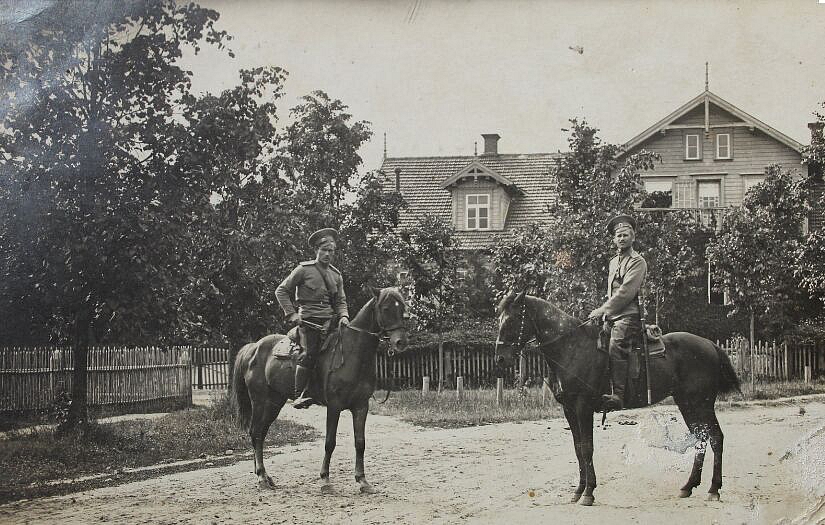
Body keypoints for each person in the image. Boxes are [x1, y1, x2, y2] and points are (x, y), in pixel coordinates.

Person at [275, 228, 350, 409]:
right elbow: (281, 291)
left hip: (329, 323)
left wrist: (344, 316)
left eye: (331, 251)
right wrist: (291, 313)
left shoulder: (336, 275)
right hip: (308, 322)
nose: (327, 254)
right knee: (310, 354)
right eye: (324, 250)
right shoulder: (304, 270)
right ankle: (300, 394)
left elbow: (340, 301)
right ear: (316, 250)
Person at [588, 214, 647, 411]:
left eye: (625, 235)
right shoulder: (613, 262)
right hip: (612, 316)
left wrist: (603, 309)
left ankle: (618, 396)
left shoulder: (637, 262)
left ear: (633, 237)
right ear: (614, 239)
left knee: (616, 345)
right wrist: (605, 314)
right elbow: (610, 291)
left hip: (628, 316)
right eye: (618, 236)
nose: (621, 238)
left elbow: (625, 292)